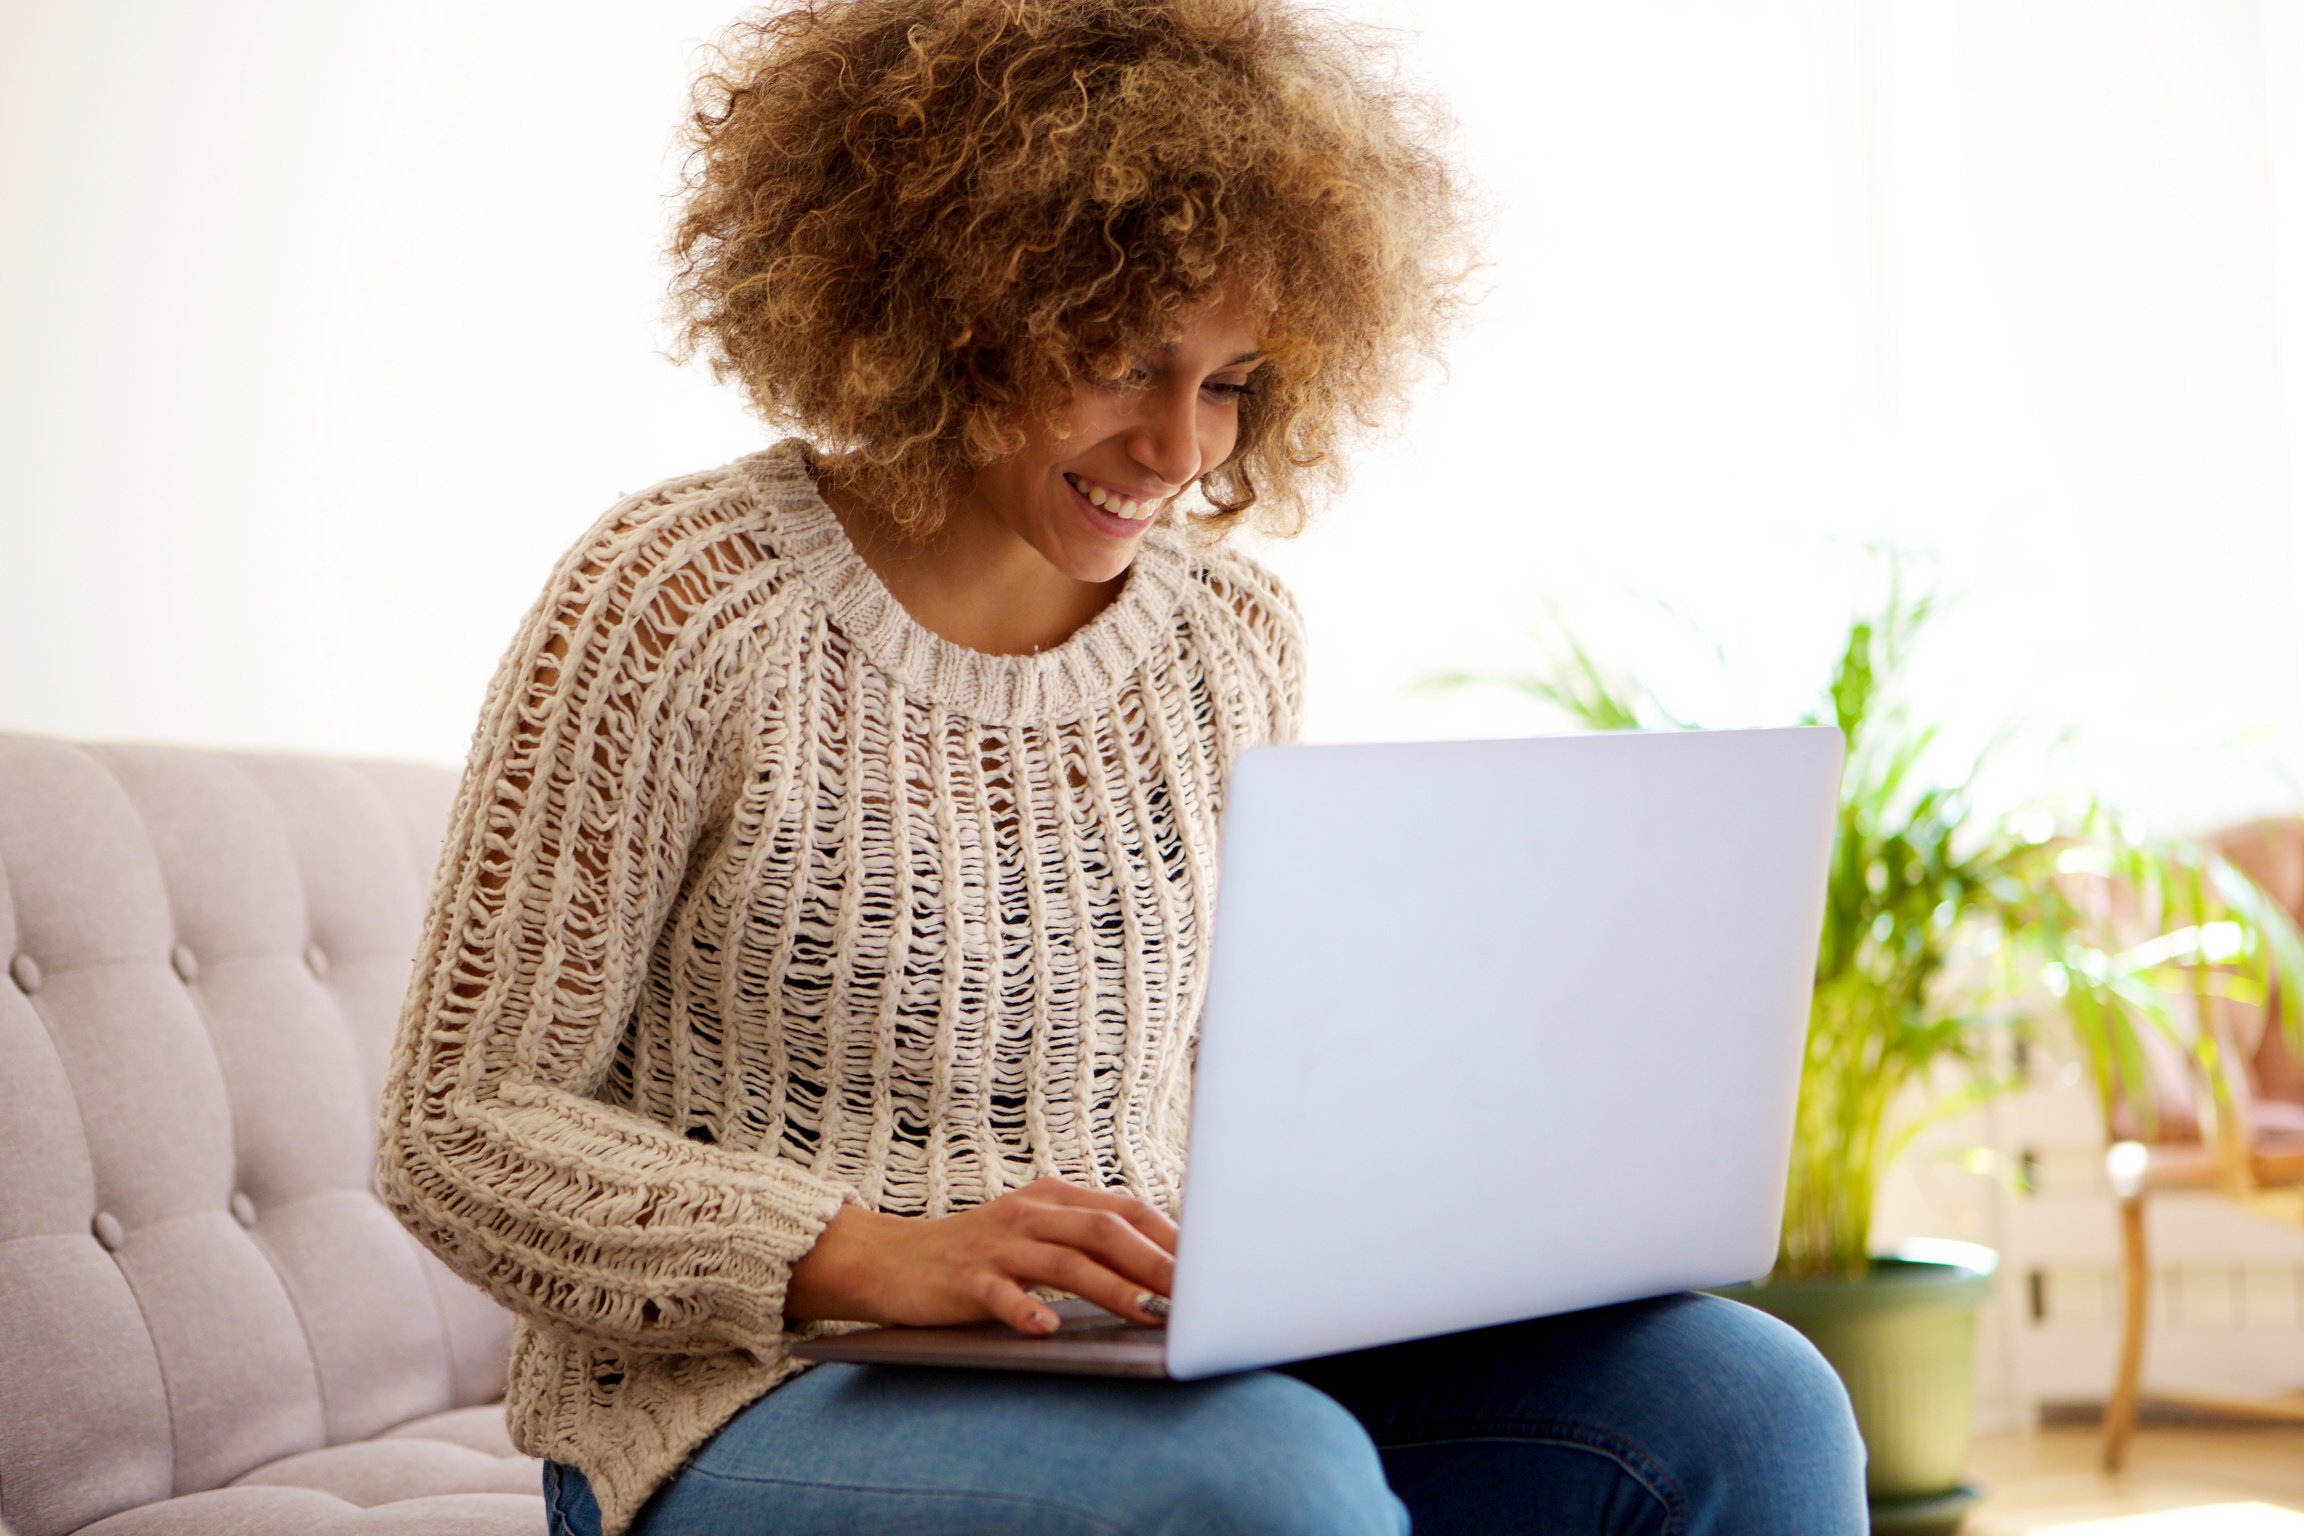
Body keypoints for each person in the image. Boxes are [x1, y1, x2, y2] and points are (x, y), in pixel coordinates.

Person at [375, 1, 1870, 1532]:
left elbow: (1235, 1078)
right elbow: (456, 1125)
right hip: (748, 1395)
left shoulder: (1229, 638)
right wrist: (865, 1247)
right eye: (1119, 358)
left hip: (1126, 1365)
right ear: (953, 306)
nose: (1181, 449)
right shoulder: (679, 598)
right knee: (1262, 1486)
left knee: (1745, 1400)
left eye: (1229, 380)